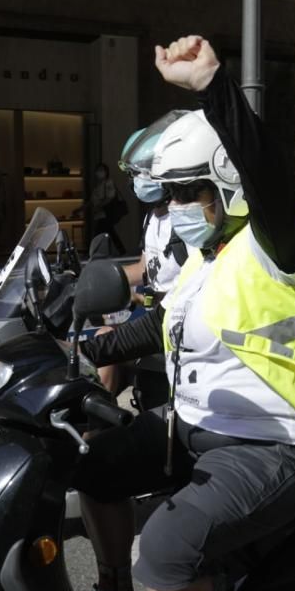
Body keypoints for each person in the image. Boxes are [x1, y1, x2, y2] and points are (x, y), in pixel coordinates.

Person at [72, 35, 295, 591]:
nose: (173, 205)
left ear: (227, 186)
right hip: (198, 426)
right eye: (168, 194)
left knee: (166, 548)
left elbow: (268, 174)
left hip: (278, 442)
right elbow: (161, 326)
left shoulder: (277, 246)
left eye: (188, 192)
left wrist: (212, 87)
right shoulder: (206, 259)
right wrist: (85, 350)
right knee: (95, 466)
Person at [96, 123, 190, 398]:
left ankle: (94, 436)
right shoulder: (153, 217)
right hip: (153, 312)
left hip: (175, 318)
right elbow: (145, 268)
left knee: (104, 340)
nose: (136, 180)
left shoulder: (187, 220)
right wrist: (100, 280)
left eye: (140, 173)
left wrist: (140, 299)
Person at [91, 162, 127, 255]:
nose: (99, 173)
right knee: (109, 232)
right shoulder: (97, 185)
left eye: (102, 170)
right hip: (101, 214)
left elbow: (110, 197)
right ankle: (120, 251)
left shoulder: (108, 182)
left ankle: (96, 253)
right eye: (98, 170)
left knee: (100, 232)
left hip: (105, 213)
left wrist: (99, 206)